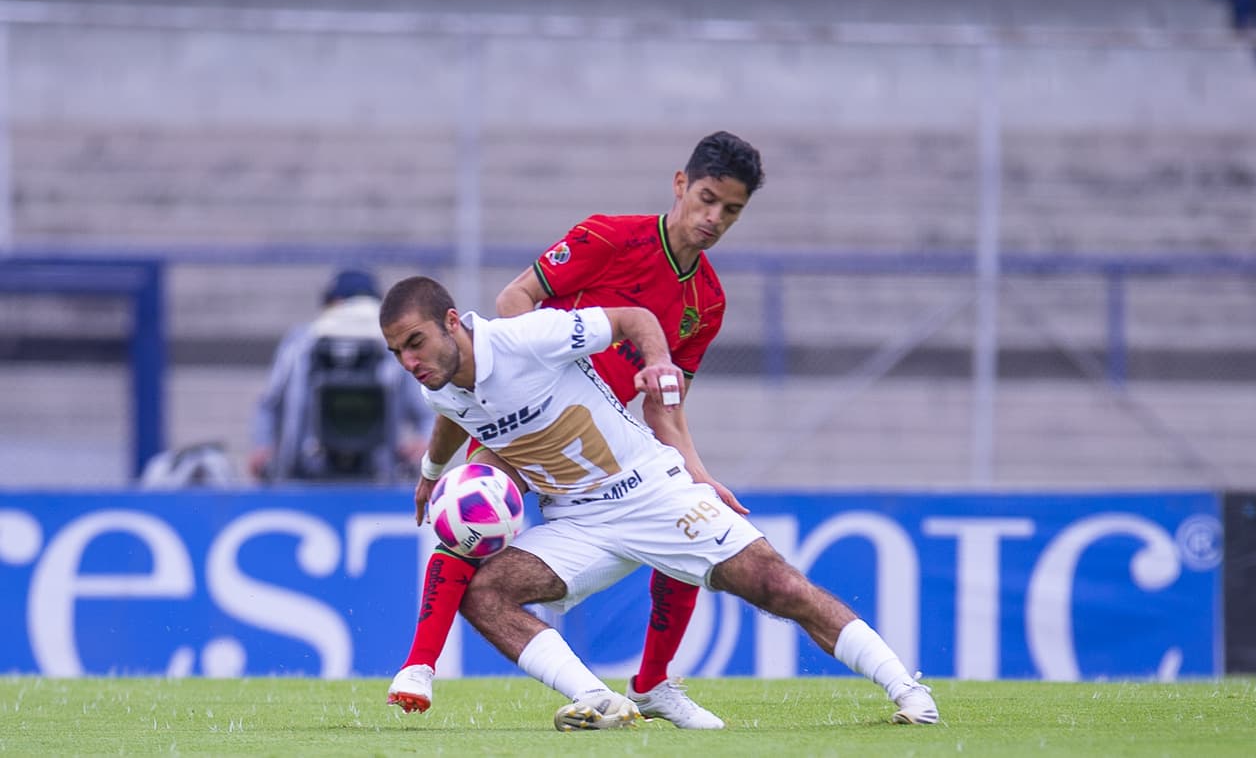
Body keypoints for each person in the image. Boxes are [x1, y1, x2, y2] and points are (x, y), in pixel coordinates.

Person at [379, 275, 940, 731]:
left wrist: (657, 363)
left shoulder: (526, 337)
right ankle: (599, 701)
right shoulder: (438, 383)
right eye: (397, 351)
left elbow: (633, 319)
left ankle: (907, 689)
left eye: (415, 342)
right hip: (578, 522)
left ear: (452, 322)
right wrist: (432, 473)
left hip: (650, 492)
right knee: (484, 594)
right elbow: (452, 415)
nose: (409, 361)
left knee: (778, 586)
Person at [386, 132, 761, 728]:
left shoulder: (708, 299)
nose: (714, 218)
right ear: (681, 184)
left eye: (731, 210)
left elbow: (669, 401)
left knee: (685, 512)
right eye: (707, 199)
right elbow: (516, 300)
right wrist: (542, 382)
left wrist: (697, 470)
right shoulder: (611, 236)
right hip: (532, 418)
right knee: (467, 514)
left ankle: (654, 683)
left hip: (604, 440)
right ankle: (418, 667)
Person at [249, 267, 433, 482]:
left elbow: (427, 411)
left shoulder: (393, 349)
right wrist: (263, 446)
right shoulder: (301, 346)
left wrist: (424, 442)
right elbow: (269, 404)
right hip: (306, 470)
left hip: (376, 472)